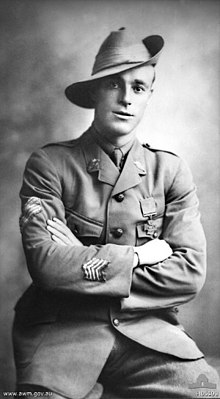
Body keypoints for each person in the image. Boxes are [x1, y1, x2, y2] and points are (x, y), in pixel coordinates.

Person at [13, 27, 219, 399]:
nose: (126, 98)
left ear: (148, 97)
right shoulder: (50, 164)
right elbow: (47, 265)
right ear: (94, 92)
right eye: (113, 85)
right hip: (62, 336)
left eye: (138, 87)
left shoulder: (169, 171)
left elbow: (189, 274)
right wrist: (140, 256)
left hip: (148, 334)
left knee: (210, 393)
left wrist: (81, 260)